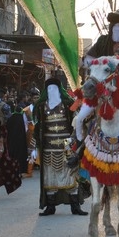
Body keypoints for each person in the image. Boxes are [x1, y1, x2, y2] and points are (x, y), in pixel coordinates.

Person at [30, 78, 87, 216]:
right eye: (49, 89)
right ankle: (50, 207)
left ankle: (75, 206)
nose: (52, 91)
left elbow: (77, 121)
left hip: (67, 144)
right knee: (50, 177)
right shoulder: (41, 106)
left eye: (54, 88)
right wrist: (34, 147)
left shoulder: (69, 104)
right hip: (48, 147)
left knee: (70, 174)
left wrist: (75, 139)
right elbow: (37, 128)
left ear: (59, 90)